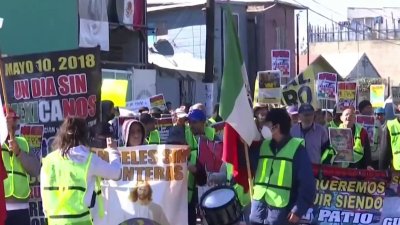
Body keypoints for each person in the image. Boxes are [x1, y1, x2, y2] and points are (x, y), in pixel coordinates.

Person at [40, 117, 121, 225]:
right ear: (85, 135)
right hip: (80, 221)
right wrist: (113, 151)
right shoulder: (88, 159)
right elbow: (116, 173)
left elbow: (44, 195)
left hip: (54, 221)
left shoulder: (49, 160)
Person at [250, 108, 316, 225]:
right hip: (258, 209)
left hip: (281, 212)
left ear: (276, 127)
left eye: (267, 124)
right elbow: (247, 162)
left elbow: (307, 183)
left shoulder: (297, 149)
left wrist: (298, 210)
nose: (263, 127)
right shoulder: (262, 146)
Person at [3, 106, 40, 225]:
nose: (14, 122)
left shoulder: (24, 142)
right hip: (1, 207)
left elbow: (36, 169)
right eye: (10, 119)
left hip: (21, 208)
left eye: (15, 119)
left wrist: (19, 152)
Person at [184, 109, 212, 225]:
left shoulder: (214, 136)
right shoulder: (185, 135)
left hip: (208, 185)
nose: (191, 125)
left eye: (194, 122)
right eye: (189, 122)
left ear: (203, 122)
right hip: (190, 190)